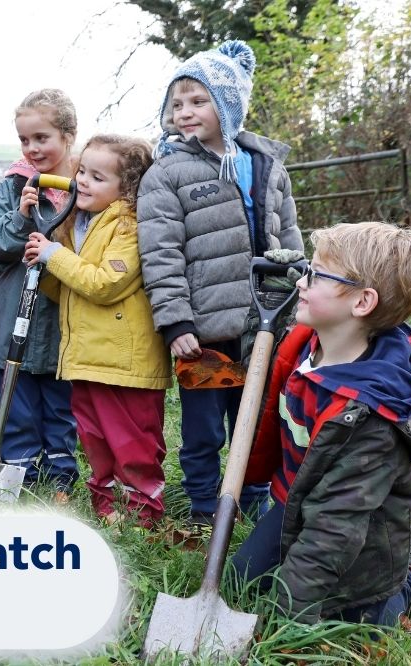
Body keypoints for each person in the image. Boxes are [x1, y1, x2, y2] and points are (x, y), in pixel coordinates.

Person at [232, 221, 411, 626]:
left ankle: (410, 565)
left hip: (362, 532)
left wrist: (287, 620)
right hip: (294, 500)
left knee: (358, 626)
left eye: (315, 275)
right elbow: (257, 369)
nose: (300, 282)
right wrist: (265, 316)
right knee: (238, 581)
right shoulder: (307, 342)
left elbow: (335, 528)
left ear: (362, 303)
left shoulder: (369, 415)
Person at [137, 39, 304, 527]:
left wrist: (298, 289)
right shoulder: (168, 173)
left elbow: (288, 232)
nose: (184, 113)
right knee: (205, 425)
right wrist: (176, 320)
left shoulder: (267, 163)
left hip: (265, 321)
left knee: (255, 417)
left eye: (198, 100)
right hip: (206, 328)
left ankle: (250, 497)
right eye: (177, 103)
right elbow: (160, 252)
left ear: (229, 104)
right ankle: (206, 504)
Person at [23, 135, 172, 528]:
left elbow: (106, 284)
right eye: (82, 172)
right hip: (86, 357)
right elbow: (66, 289)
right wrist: (45, 263)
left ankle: (144, 517)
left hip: (125, 360)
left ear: (126, 188)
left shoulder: (129, 223)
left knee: (132, 441)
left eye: (98, 177)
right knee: (96, 440)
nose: (83, 182)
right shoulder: (77, 222)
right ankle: (108, 512)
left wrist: (57, 257)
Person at [0, 89, 80, 503]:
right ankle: (16, 473)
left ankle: (60, 479)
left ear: (68, 135)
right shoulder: (11, 188)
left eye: (42, 138)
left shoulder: (84, 190)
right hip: (10, 321)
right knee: (13, 404)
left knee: (59, 407)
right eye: (24, 139)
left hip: (61, 324)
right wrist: (19, 217)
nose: (32, 148)